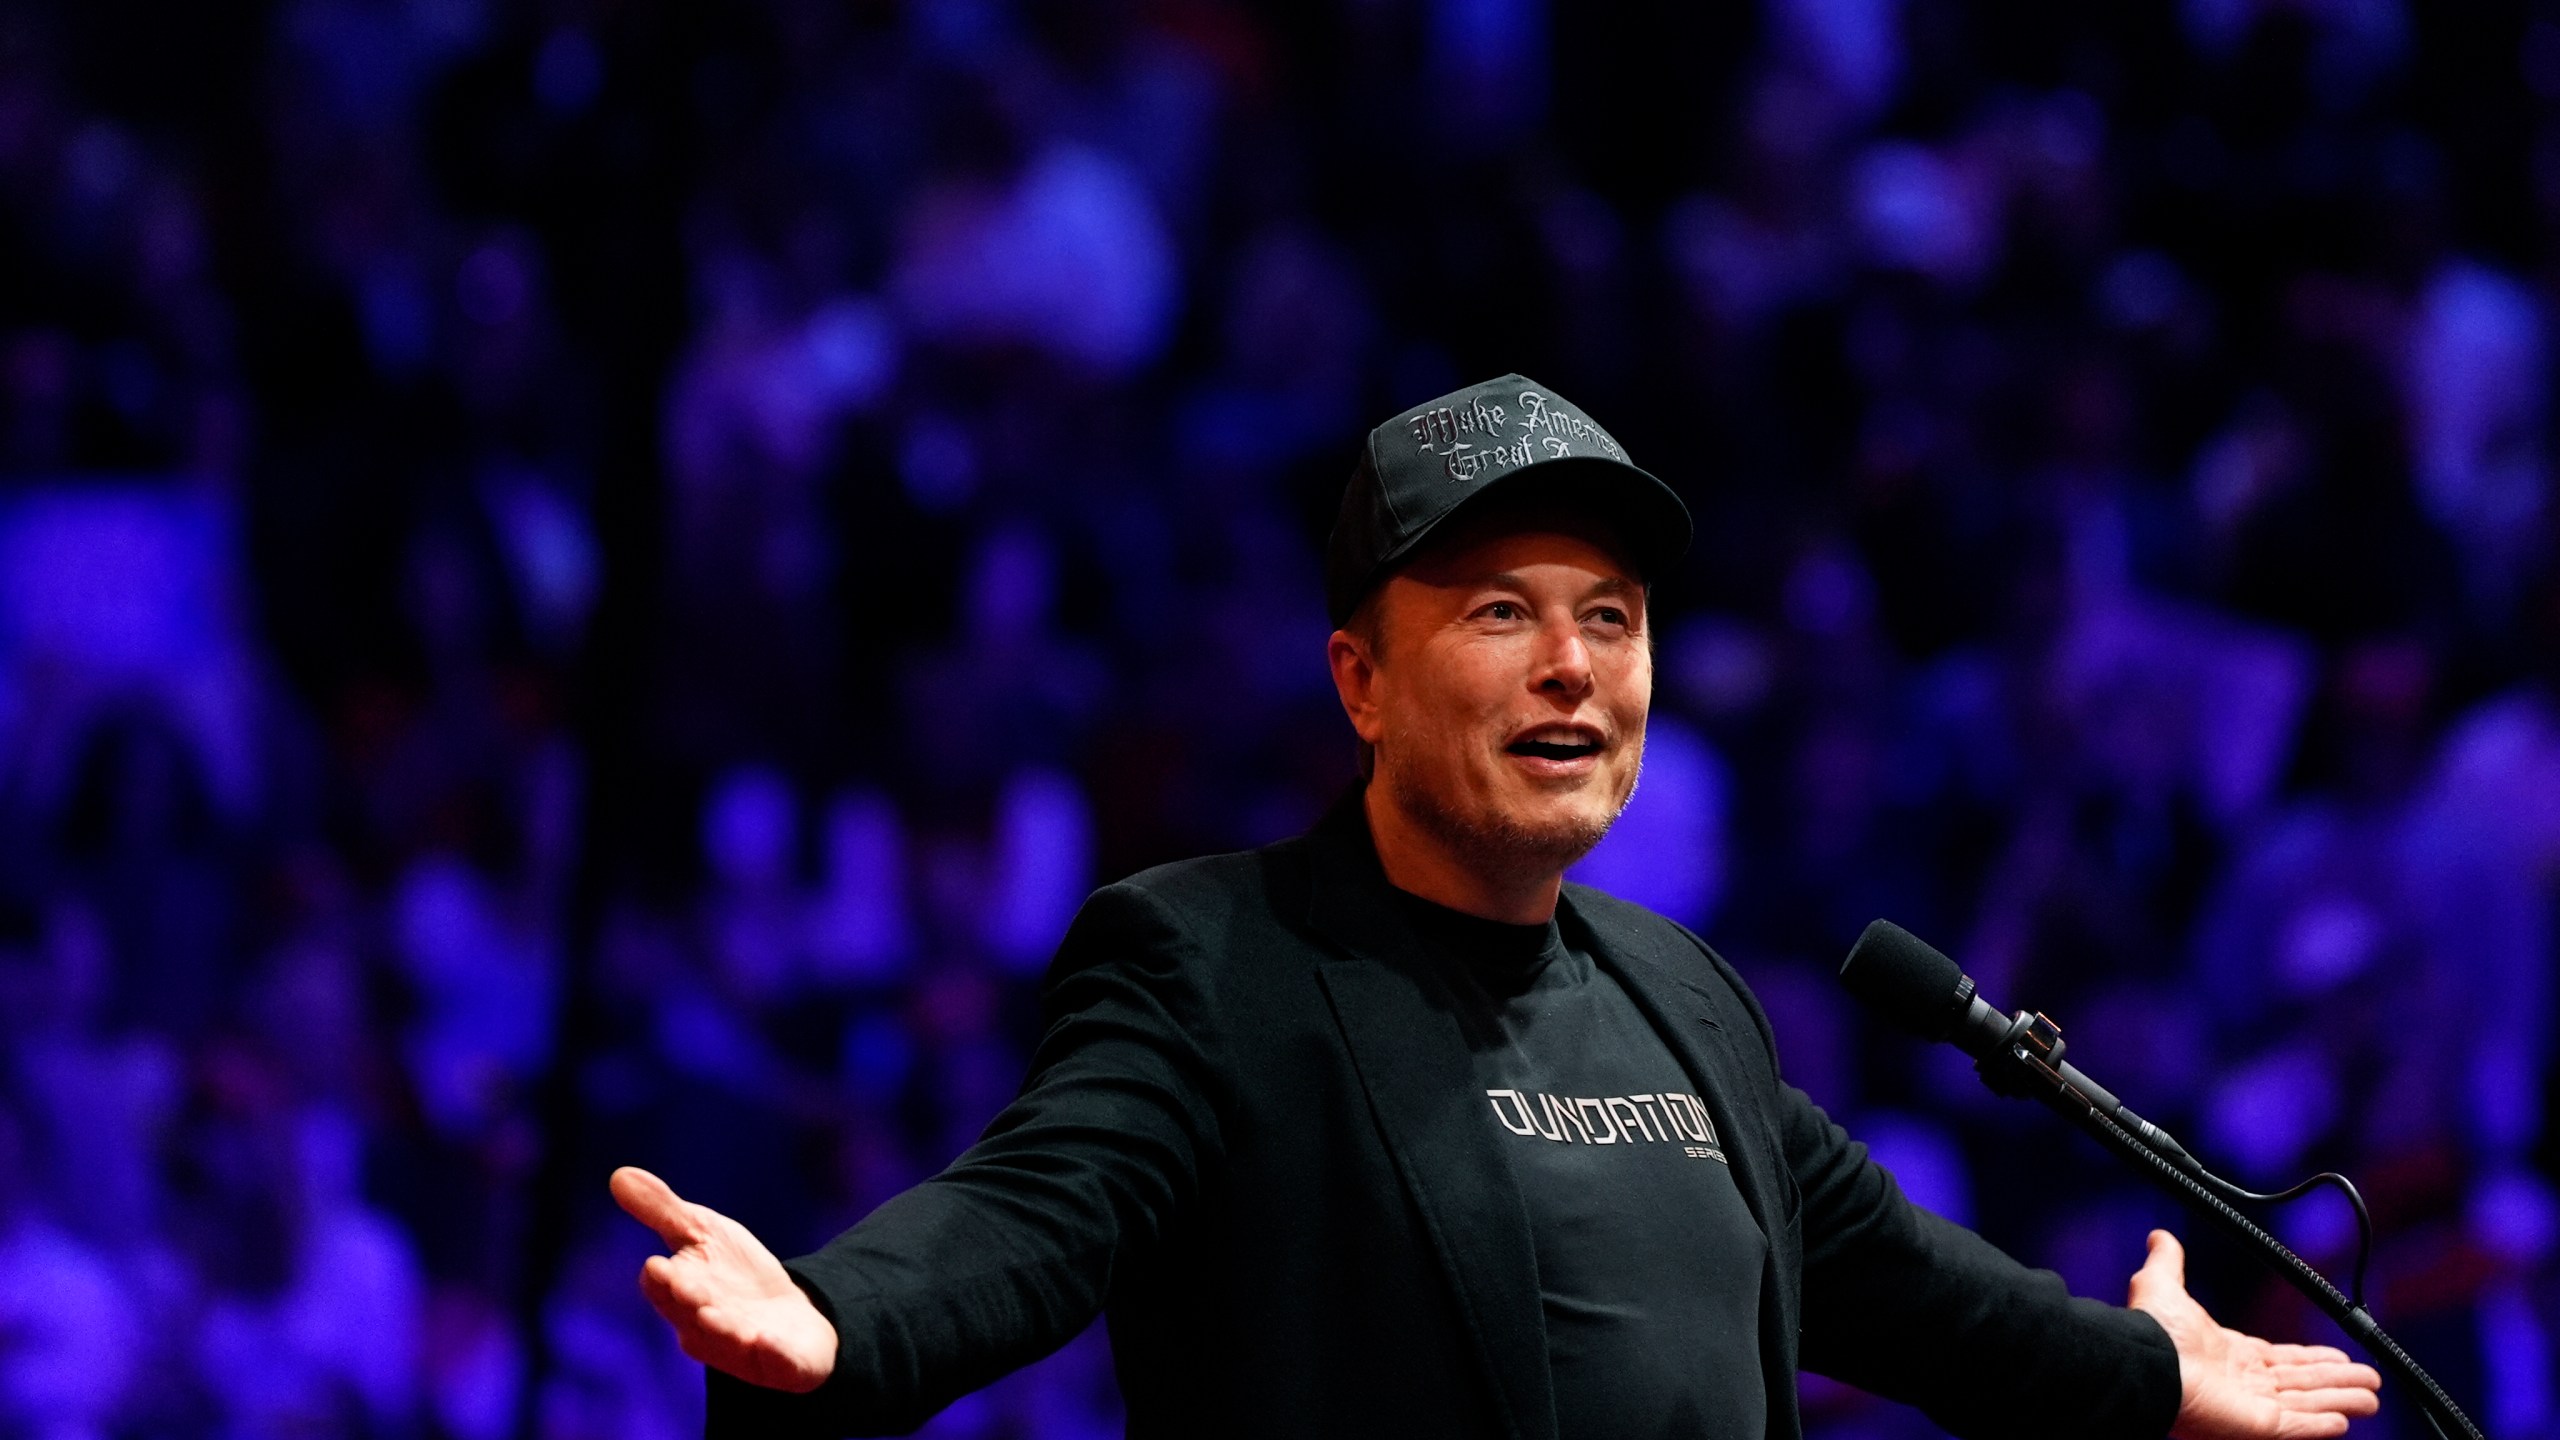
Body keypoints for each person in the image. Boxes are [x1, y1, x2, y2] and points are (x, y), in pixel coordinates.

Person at [613, 376, 2385, 1439]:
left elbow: (1921, 1298)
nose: (1571, 668)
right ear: (1361, 681)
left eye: (1610, 616)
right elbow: (1037, 1208)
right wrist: (846, 1328)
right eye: (1498, 613)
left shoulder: (1686, 998)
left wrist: (2150, 1380)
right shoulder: (1215, 962)